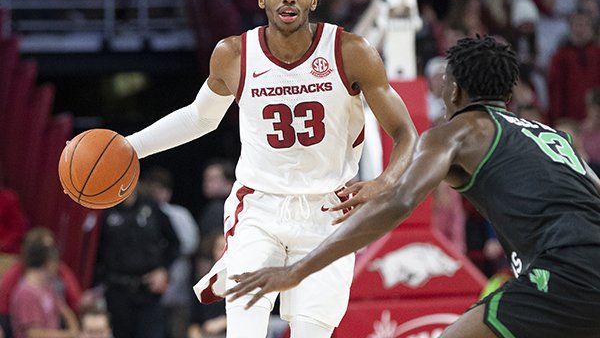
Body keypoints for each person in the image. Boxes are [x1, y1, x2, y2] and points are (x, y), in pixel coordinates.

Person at [124, 0, 418, 338]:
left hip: (329, 212)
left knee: (311, 332)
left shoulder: (351, 51)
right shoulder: (233, 53)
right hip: (259, 208)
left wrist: (384, 182)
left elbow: (405, 133)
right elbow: (200, 117)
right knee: (244, 329)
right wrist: (131, 147)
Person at [226, 35, 600, 338]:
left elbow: (401, 203)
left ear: (453, 92)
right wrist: (383, 185)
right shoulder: (553, 136)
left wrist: (298, 270)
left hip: (565, 267)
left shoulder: (458, 131)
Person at [93, 186, 180, 338]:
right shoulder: (105, 210)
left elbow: (174, 243)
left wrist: (163, 270)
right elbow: (95, 251)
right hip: (117, 291)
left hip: (148, 291)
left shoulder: (152, 207)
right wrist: (93, 285)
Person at [142, 166, 200, 338]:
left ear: (168, 192)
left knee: (178, 325)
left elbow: (191, 243)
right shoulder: (144, 213)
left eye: (162, 189)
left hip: (178, 274)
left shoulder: (179, 214)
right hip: (150, 278)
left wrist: (168, 255)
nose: (158, 194)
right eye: (154, 189)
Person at [0, 227, 81, 338]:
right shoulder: (26, 292)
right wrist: (68, 335)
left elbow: (65, 308)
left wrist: (74, 329)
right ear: (49, 264)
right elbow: (33, 333)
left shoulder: (48, 286)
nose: (58, 267)